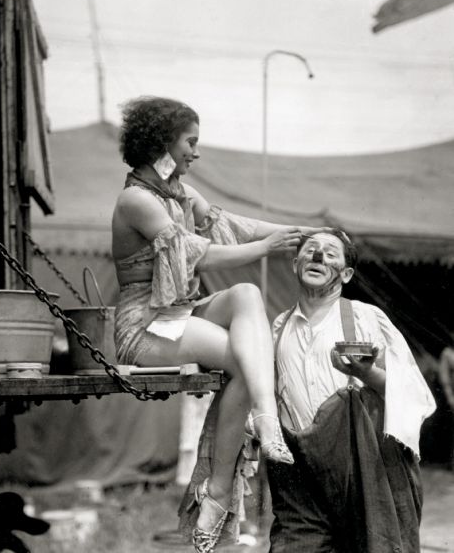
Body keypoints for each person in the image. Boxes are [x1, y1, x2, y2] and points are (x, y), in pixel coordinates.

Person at [111, 96, 328, 552]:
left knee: (246, 296)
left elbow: (234, 225)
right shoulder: (136, 200)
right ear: (164, 142)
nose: (196, 152)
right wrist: (269, 249)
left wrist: (299, 234)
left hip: (177, 313)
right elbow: (200, 253)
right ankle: (219, 490)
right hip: (144, 325)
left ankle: (260, 426)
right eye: (191, 141)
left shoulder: (180, 194)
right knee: (252, 360)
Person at [267, 229, 437, 553]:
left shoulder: (366, 317)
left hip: (363, 470)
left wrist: (366, 372)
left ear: (346, 274)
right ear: (295, 263)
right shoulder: (279, 326)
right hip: (300, 477)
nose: (318, 256)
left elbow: (414, 394)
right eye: (311, 249)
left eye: (330, 253)